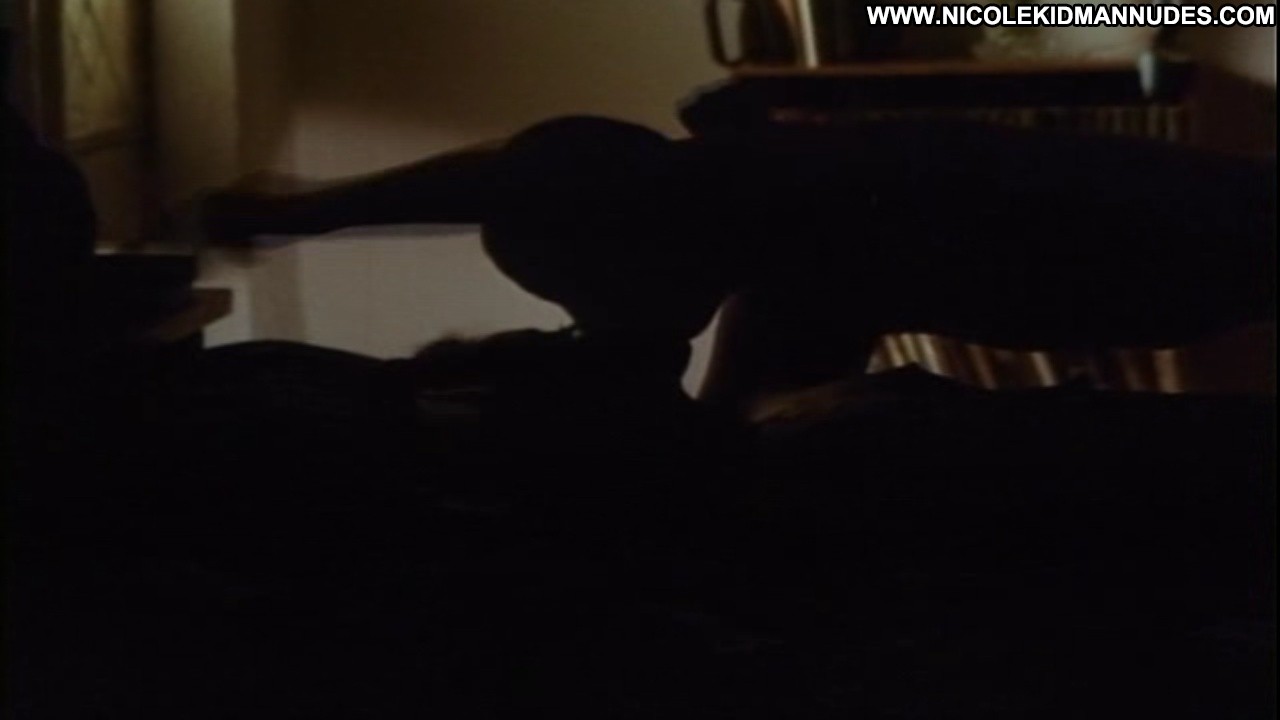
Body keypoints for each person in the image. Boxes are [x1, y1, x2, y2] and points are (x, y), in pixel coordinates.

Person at [200, 115, 1276, 406]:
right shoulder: (770, 199)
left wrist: (303, 216)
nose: (593, 323)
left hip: (1206, 249)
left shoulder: (800, 232)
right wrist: (298, 216)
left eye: (581, 300)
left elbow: (703, 429)